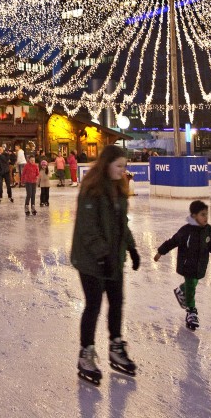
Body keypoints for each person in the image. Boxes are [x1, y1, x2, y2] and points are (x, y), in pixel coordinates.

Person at [70, 145, 139, 385]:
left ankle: (115, 347)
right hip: (90, 260)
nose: (123, 171)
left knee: (117, 302)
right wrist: (103, 254)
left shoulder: (120, 188)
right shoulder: (91, 190)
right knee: (94, 305)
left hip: (113, 257)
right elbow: (87, 229)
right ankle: (86, 353)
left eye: (125, 166)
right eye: (119, 166)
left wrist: (131, 247)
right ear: (106, 164)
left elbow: (122, 223)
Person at [153, 200, 211, 331]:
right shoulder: (186, 231)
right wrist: (160, 252)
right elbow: (173, 241)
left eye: (207, 214)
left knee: (193, 283)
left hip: (200, 265)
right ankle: (191, 311)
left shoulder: (208, 230)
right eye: (202, 214)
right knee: (191, 286)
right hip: (187, 265)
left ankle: (180, 290)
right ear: (194, 216)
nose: (206, 217)